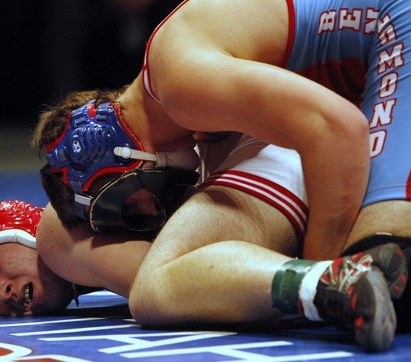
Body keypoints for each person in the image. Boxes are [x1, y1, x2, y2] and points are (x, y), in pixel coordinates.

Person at [31, 0, 411, 352]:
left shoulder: (181, 86)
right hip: (372, 55)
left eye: (126, 203)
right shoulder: (183, 102)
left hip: (393, 28)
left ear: (111, 149)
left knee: (384, 266)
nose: (151, 208)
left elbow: (338, 130)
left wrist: (322, 264)